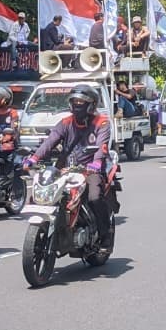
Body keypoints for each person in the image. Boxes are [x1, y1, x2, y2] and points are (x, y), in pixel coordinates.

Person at [24, 85, 115, 251]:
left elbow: (102, 147)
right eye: (75, 101)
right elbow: (50, 142)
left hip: (91, 170)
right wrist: (34, 158)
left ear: (91, 104)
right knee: (45, 194)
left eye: (82, 101)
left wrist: (95, 163)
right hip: (65, 169)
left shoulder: (101, 122)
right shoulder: (65, 123)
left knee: (94, 196)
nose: (77, 104)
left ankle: (105, 235)